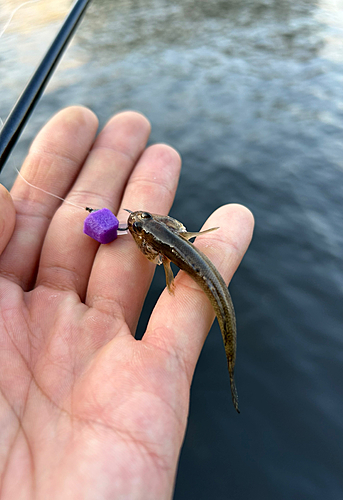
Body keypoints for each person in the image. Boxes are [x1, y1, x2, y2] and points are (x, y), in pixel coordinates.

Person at [0, 107, 254, 499]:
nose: (133, 224)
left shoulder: (157, 246)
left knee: (217, 302)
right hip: (186, 254)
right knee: (215, 297)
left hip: (190, 260)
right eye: (135, 223)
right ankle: (233, 375)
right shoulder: (162, 235)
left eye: (138, 223)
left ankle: (232, 373)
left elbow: (158, 251)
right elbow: (162, 238)